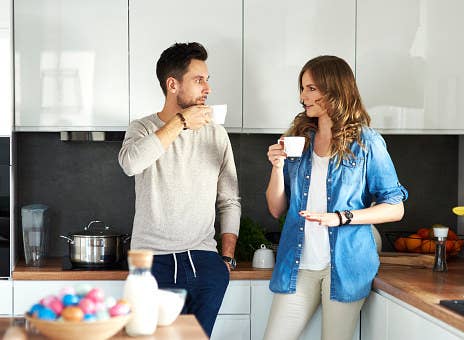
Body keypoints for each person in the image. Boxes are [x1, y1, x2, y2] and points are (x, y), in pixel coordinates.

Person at [264, 55, 408, 340]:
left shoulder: (367, 142)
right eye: (303, 88)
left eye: (311, 88)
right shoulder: (298, 138)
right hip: (299, 264)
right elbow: (276, 209)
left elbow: (395, 207)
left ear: (335, 89)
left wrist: (341, 217)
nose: (302, 96)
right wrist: (277, 168)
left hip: (346, 265)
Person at [118, 42, 241, 337]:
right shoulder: (143, 129)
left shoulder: (217, 134)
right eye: (199, 80)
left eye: (207, 80)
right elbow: (130, 163)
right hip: (152, 264)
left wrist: (225, 259)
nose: (207, 88)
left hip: (204, 262)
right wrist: (182, 122)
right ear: (173, 84)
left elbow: (229, 200)